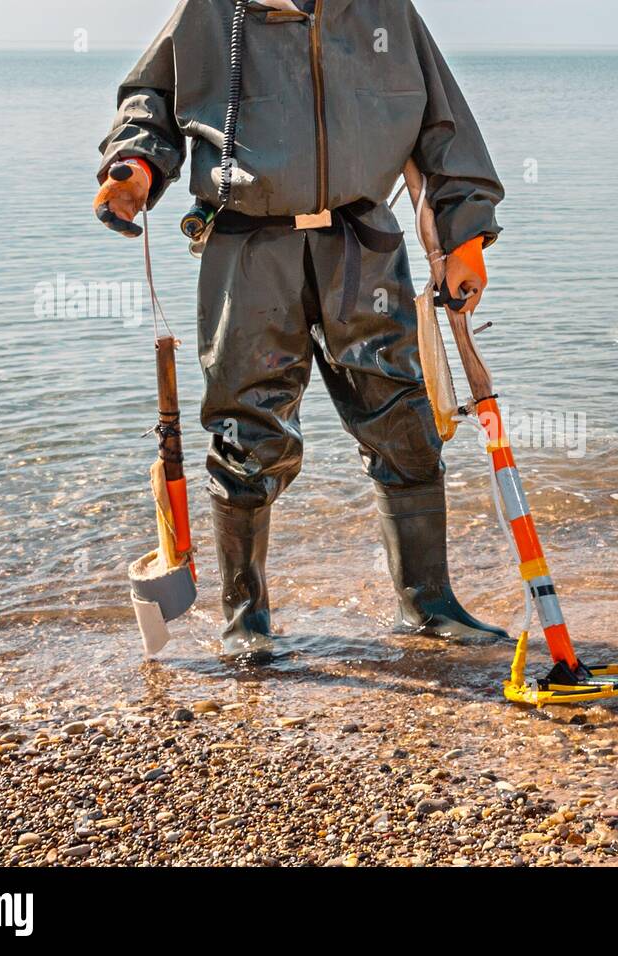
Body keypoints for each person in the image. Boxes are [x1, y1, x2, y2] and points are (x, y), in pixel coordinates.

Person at [94, 0, 507, 657]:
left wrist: (466, 233)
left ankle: (428, 605)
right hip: (247, 245)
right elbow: (153, 98)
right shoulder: (210, 10)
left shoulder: (384, 11)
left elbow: (443, 123)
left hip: (362, 242)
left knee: (402, 419)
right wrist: (136, 165)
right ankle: (244, 621)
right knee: (246, 430)